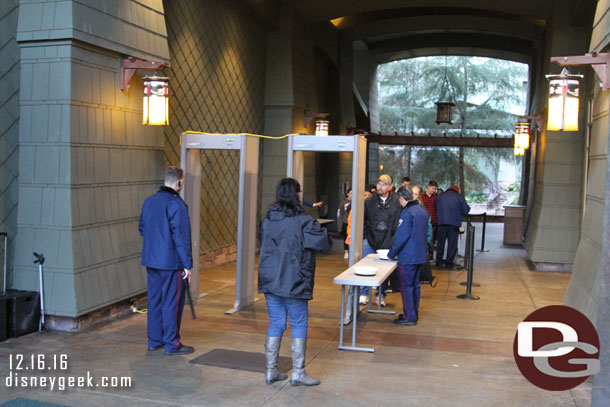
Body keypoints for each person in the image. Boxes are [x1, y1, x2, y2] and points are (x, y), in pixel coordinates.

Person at [258, 178, 330, 386]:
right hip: (294, 281)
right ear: (296, 195)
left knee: (276, 323)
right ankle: (298, 373)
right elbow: (323, 242)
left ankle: (271, 371)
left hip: (270, 279)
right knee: (298, 323)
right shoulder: (302, 221)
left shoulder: (268, 220)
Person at [139, 166, 194, 356]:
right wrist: (188, 264)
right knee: (172, 302)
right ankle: (172, 343)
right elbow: (181, 237)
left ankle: (154, 340)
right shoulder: (176, 204)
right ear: (179, 182)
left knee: (154, 300)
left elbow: (142, 229)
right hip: (171, 263)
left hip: (151, 260)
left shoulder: (149, 202)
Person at [388, 186, 429, 325]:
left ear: (401, 198)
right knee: (415, 285)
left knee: (406, 286)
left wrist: (391, 253)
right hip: (420, 255)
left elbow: (401, 236)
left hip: (408, 257)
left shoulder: (407, 213)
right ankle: (413, 311)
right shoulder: (422, 211)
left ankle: (409, 317)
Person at [360, 174, 402, 306]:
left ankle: (381, 295)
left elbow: (399, 222)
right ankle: (363, 293)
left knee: (384, 270)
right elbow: (363, 219)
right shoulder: (369, 201)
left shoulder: (397, 202)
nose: (380, 186)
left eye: (384, 184)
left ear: (390, 187)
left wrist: (394, 240)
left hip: (388, 240)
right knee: (365, 266)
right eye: (379, 184)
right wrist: (366, 236)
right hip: (371, 238)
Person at [434, 185, 470, 268]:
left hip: (441, 223)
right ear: (457, 190)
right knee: (452, 244)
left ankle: (439, 261)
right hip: (454, 224)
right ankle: (449, 262)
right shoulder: (459, 198)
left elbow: (436, 207)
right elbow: (466, 210)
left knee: (440, 244)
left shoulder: (440, 197)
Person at [421, 180, 439, 261]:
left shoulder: (436, 197)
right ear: (428, 187)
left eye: (435, 189)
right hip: (423, 221)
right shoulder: (422, 196)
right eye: (433, 188)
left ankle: (430, 254)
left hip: (433, 221)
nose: (434, 190)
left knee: (431, 239)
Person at [338, 189, 352, 259]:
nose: (352, 195)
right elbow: (340, 214)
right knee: (346, 238)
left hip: (353, 223)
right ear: (347, 194)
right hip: (345, 222)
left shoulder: (356, 201)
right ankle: (346, 251)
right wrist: (339, 225)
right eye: (350, 193)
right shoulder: (343, 202)